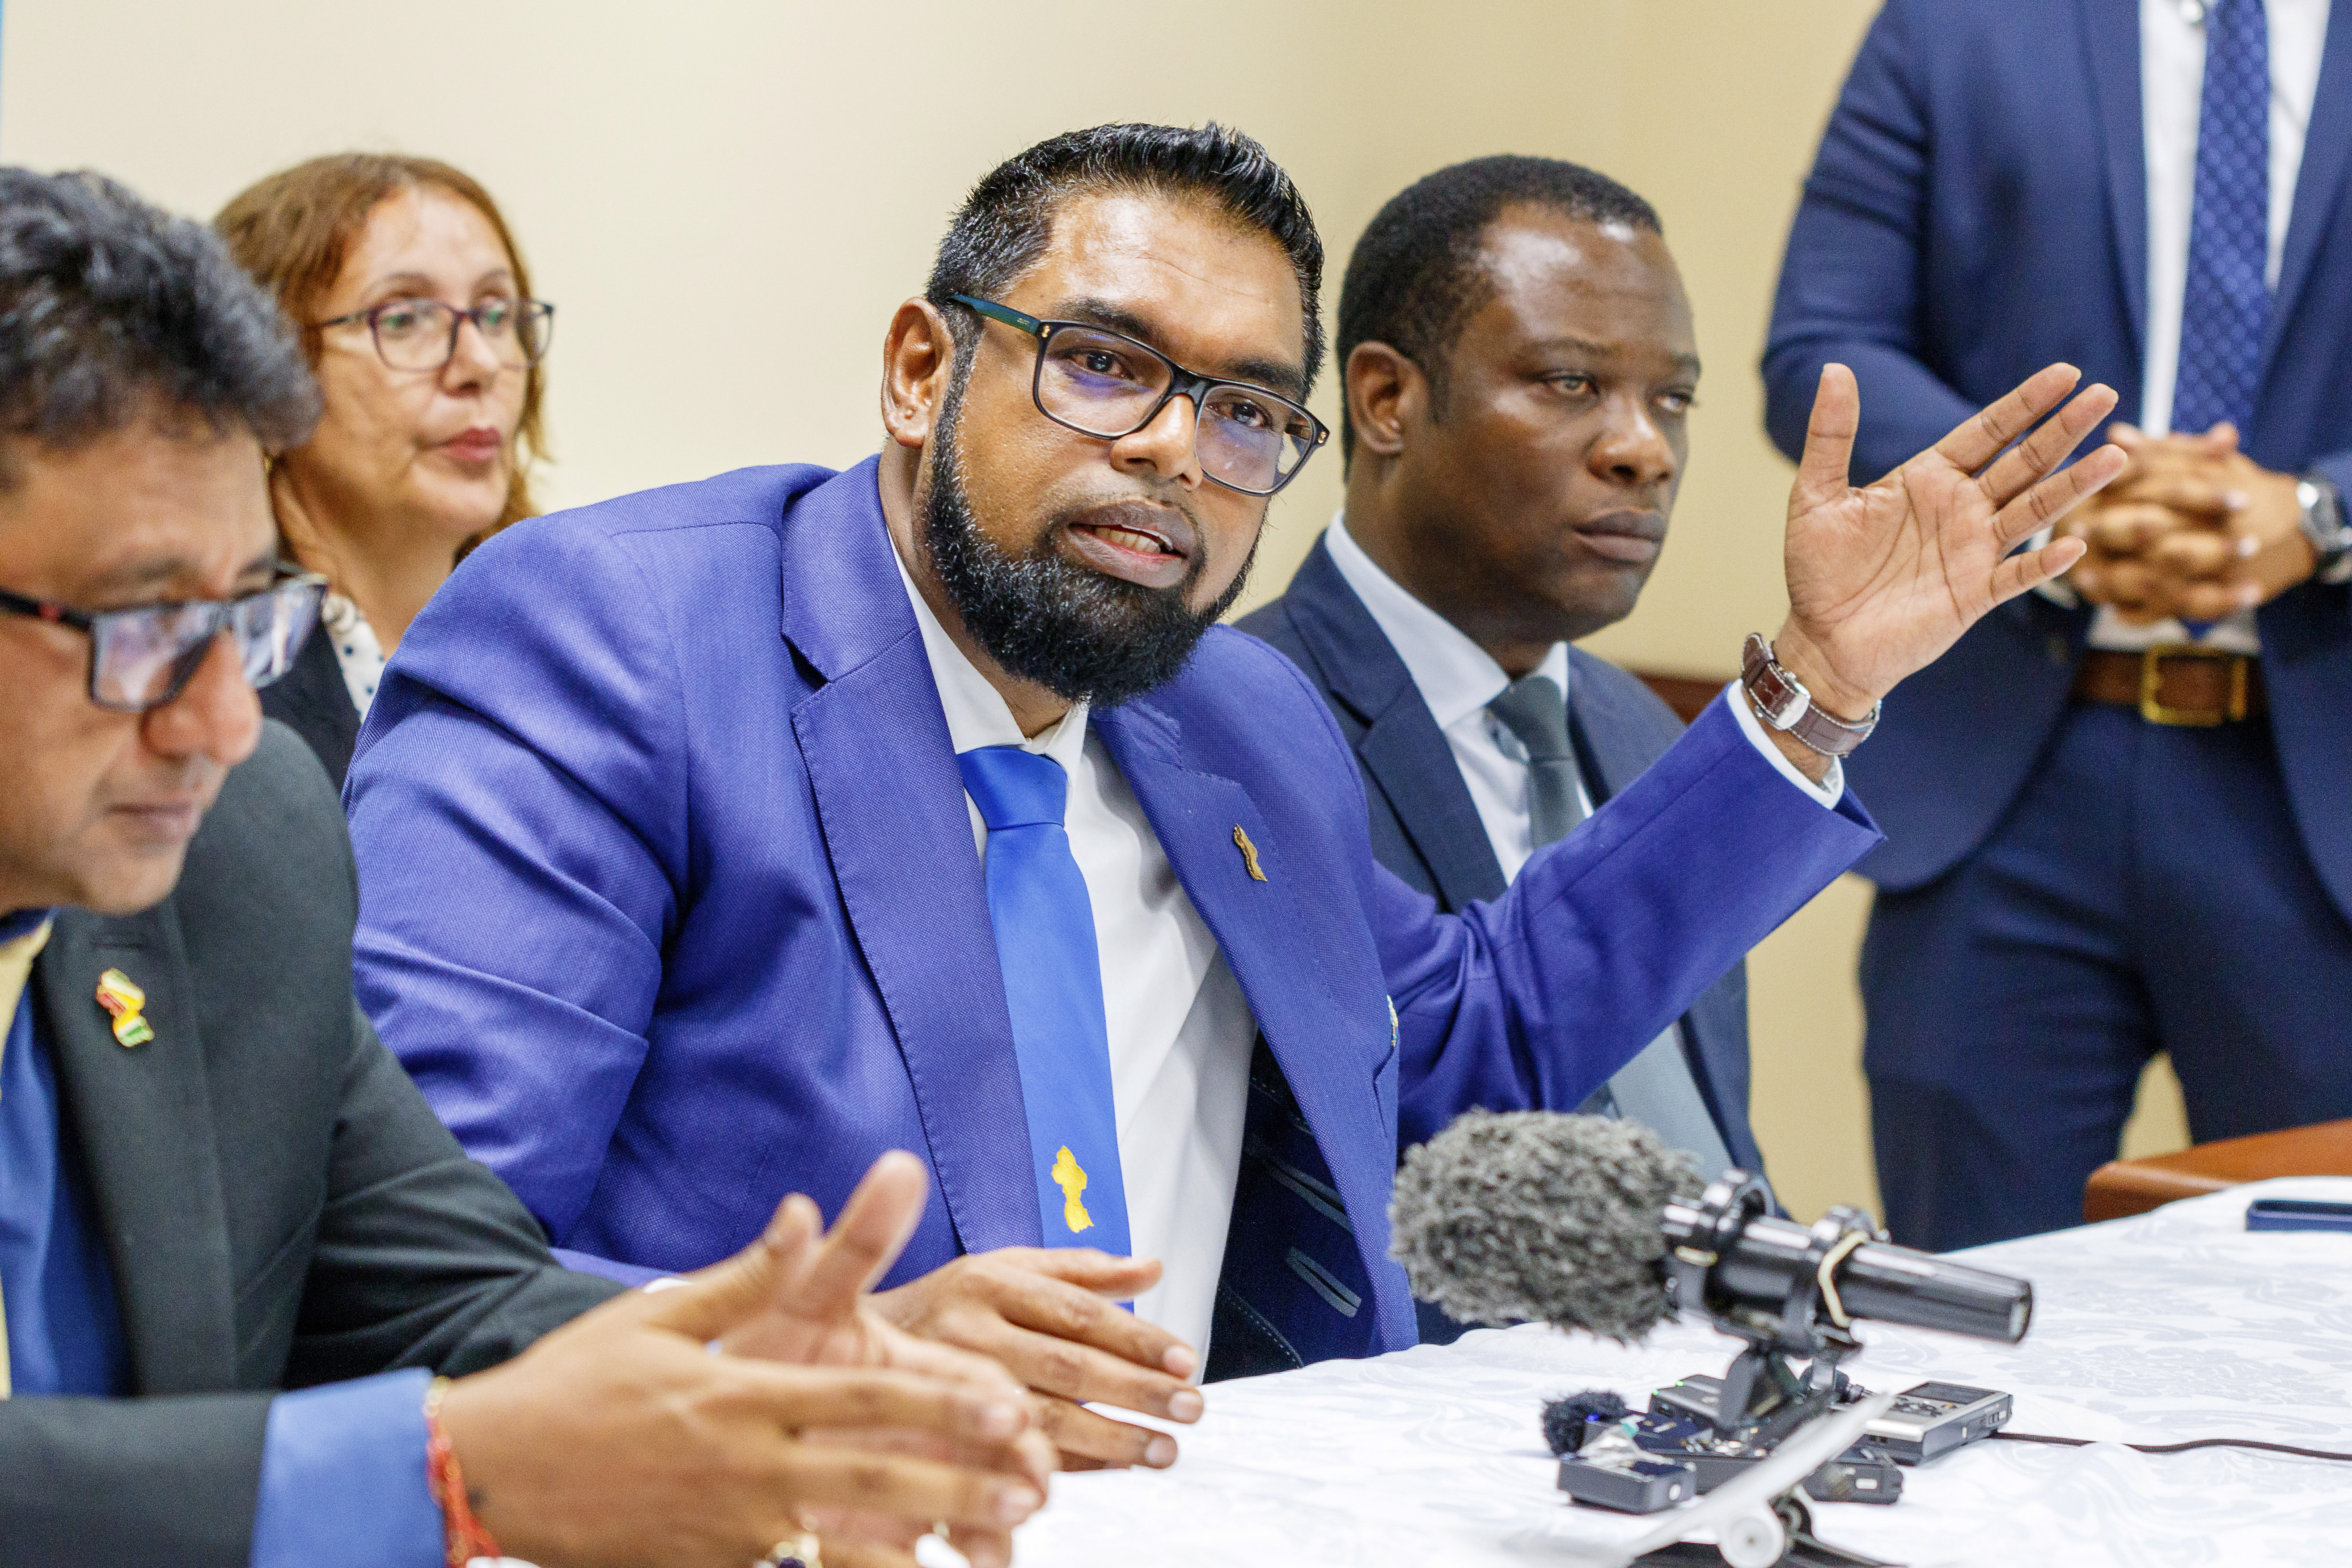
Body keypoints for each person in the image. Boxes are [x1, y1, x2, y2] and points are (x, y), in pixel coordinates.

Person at [347, 123, 2117, 1472]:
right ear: (917, 368)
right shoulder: (617, 640)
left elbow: (1463, 1041)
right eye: (1104, 366)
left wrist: (1814, 684)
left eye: (1247, 413)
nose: (1174, 455)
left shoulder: (1231, 707)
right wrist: (829, 1360)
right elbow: (420, 1263)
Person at [0, 166, 1050, 1568]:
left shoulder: (247, 849)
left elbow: (444, 1287)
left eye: (242, 616)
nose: (224, 723)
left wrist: (774, 1395)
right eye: (139, 625)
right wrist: (435, 1469)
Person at [1763, 0, 2352, 1250]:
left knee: (2319, 1340)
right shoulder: (1953, 26)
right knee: (1970, 1324)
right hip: (2008, 797)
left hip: (2321, 811)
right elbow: (1820, 345)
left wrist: (2320, 511)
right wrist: (2057, 497)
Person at [1239, 158, 1765, 1299]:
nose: (1644, 448)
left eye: (1670, 398)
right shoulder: (1245, 718)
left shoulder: (1645, 731)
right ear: (1386, 400)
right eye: (1570, 383)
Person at [215, 154, 551, 786]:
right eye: (402, 318)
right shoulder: (203, 666)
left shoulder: (565, 636)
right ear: (266, 375)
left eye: (496, 314)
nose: (478, 363)